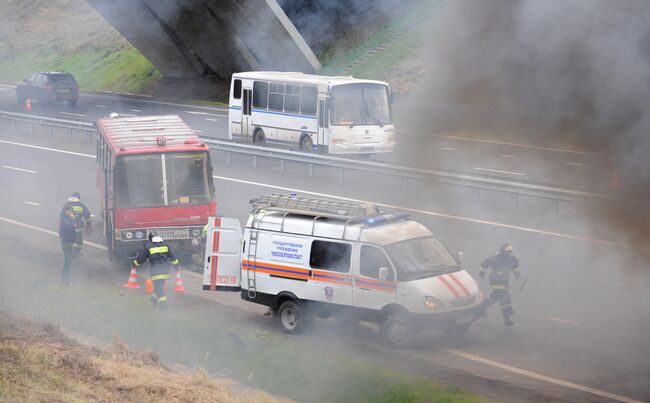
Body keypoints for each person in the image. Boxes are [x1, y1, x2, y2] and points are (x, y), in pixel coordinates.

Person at [479, 242, 523, 326]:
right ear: (502, 252)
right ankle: (507, 319)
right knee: (505, 296)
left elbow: (515, 268)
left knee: (495, 296)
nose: (509, 253)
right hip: (495, 279)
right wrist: (481, 275)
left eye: (511, 252)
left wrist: (518, 276)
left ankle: (482, 307)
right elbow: (483, 265)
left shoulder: (512, 258)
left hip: (504, 280)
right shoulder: (495, 258)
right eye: (507, 252)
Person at [133, 232, 180, 310]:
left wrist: (134, 264)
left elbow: (141, 258)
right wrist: (177, 266)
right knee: (159, 285)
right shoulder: (166, 245)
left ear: (150, 239)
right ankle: (154, 299)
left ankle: (163, 305)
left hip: (155, 270)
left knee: (159, 287)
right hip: (165, 270)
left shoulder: (148, 246)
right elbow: (173, 257)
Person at [59, 206, 79, 285]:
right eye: (70, 211)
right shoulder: (64, 219)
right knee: (68, 262)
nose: (71, 213)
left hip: (69, 242)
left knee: (68, 262)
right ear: (65, 211)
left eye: (72, 211)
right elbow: (71, 226)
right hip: (67, 243)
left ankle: (66, 280)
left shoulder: (67, 219)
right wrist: (73, 220)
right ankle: (66, 281)